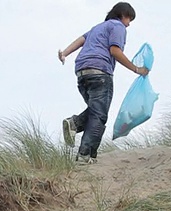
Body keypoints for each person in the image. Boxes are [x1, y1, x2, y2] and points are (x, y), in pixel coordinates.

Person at [58, 2, 149, 164]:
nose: (129, 25)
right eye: (129, 19)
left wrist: (65, 53)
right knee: (99, 115)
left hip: (82, 72)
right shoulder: (118, 26)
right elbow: (115, 51)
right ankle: (83, 152)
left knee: (96, 112)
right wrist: (136, 69)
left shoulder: (98, 28)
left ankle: (89, 153)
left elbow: (80, 40)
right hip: (100, 71)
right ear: (123, 14)